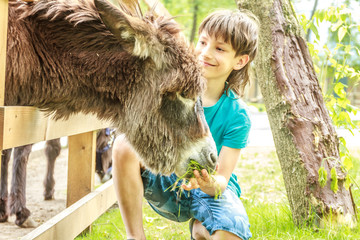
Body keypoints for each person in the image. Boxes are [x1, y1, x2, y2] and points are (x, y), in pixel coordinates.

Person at [112, 8, 259, 240]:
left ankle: (201, 227)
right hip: (169, 179)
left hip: (210, 192)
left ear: (240, 61)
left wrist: (208, 183)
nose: (205, 53)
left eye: (219, 48)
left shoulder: (237, 115)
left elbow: (223, 177)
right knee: (124, 144)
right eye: (202, 42)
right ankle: (135, 236)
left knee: (229, 233)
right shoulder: (171, 89)